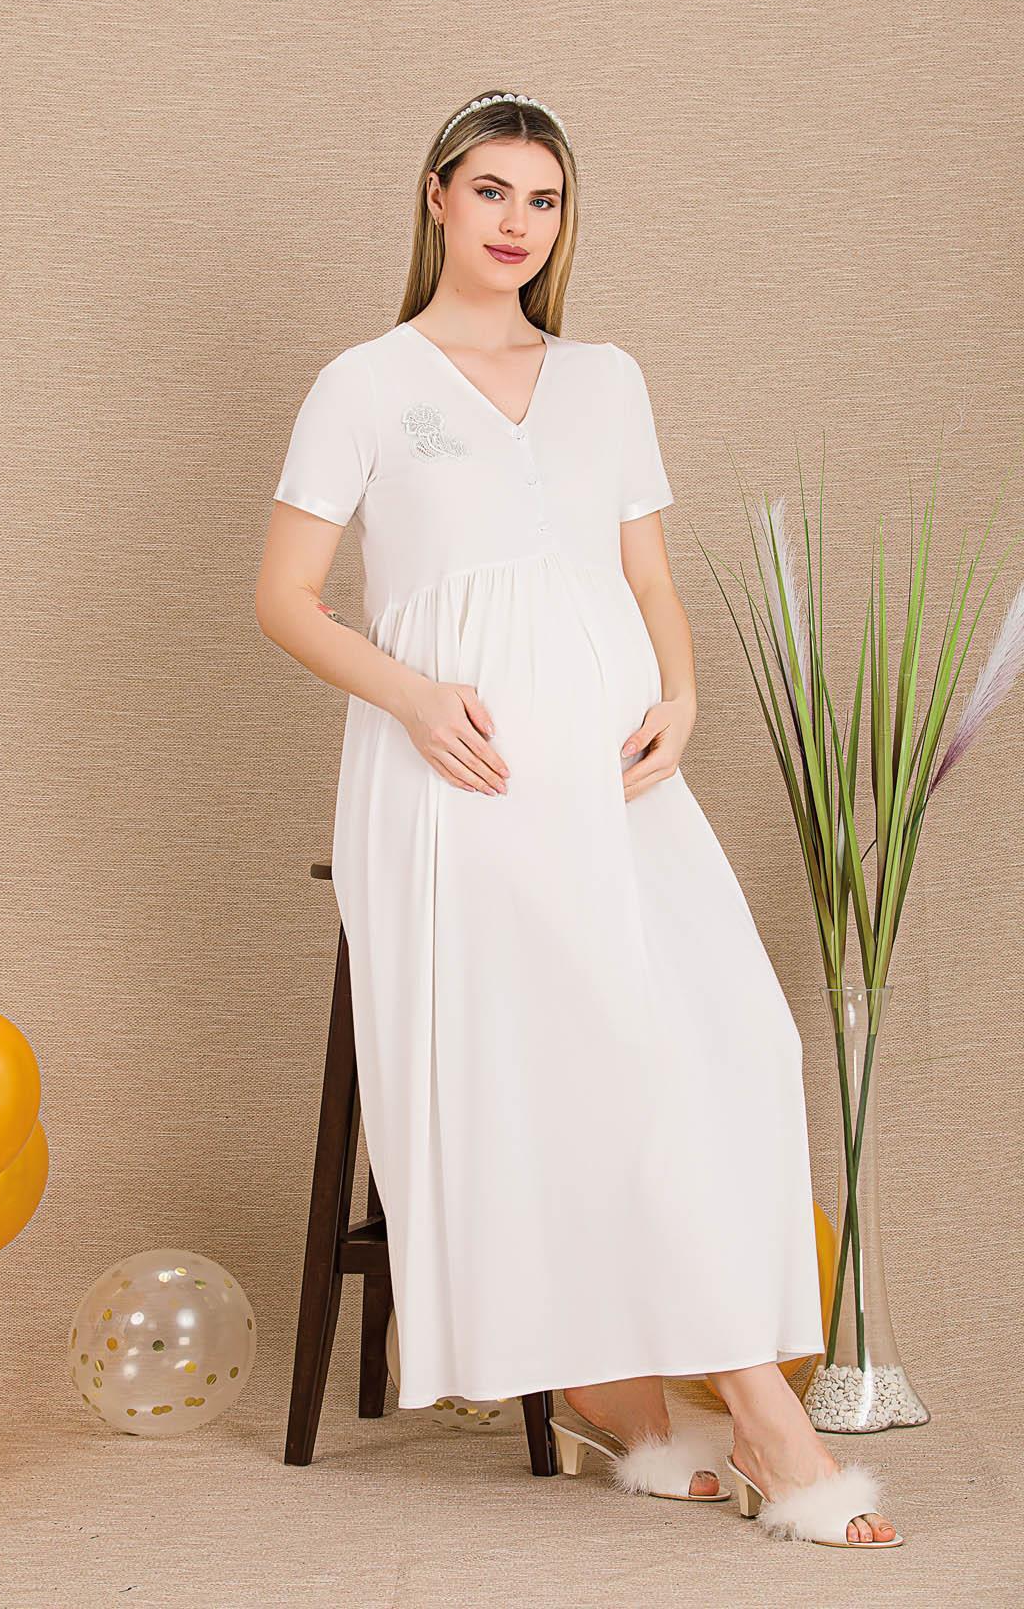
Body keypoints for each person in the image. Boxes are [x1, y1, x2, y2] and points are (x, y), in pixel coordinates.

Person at [255, 91, 902, 1549]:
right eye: (490, 190)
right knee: (614, 1040)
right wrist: (415, 698)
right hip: (462, 784)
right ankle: (765, 1417)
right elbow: (284, 599)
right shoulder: (365, 383)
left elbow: (646, 575)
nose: (515, 222)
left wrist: (685, 696)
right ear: (436, 197)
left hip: (618, 783)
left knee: (741, 1033)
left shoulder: (607, 379)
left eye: (541, 199)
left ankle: (624, 1394)